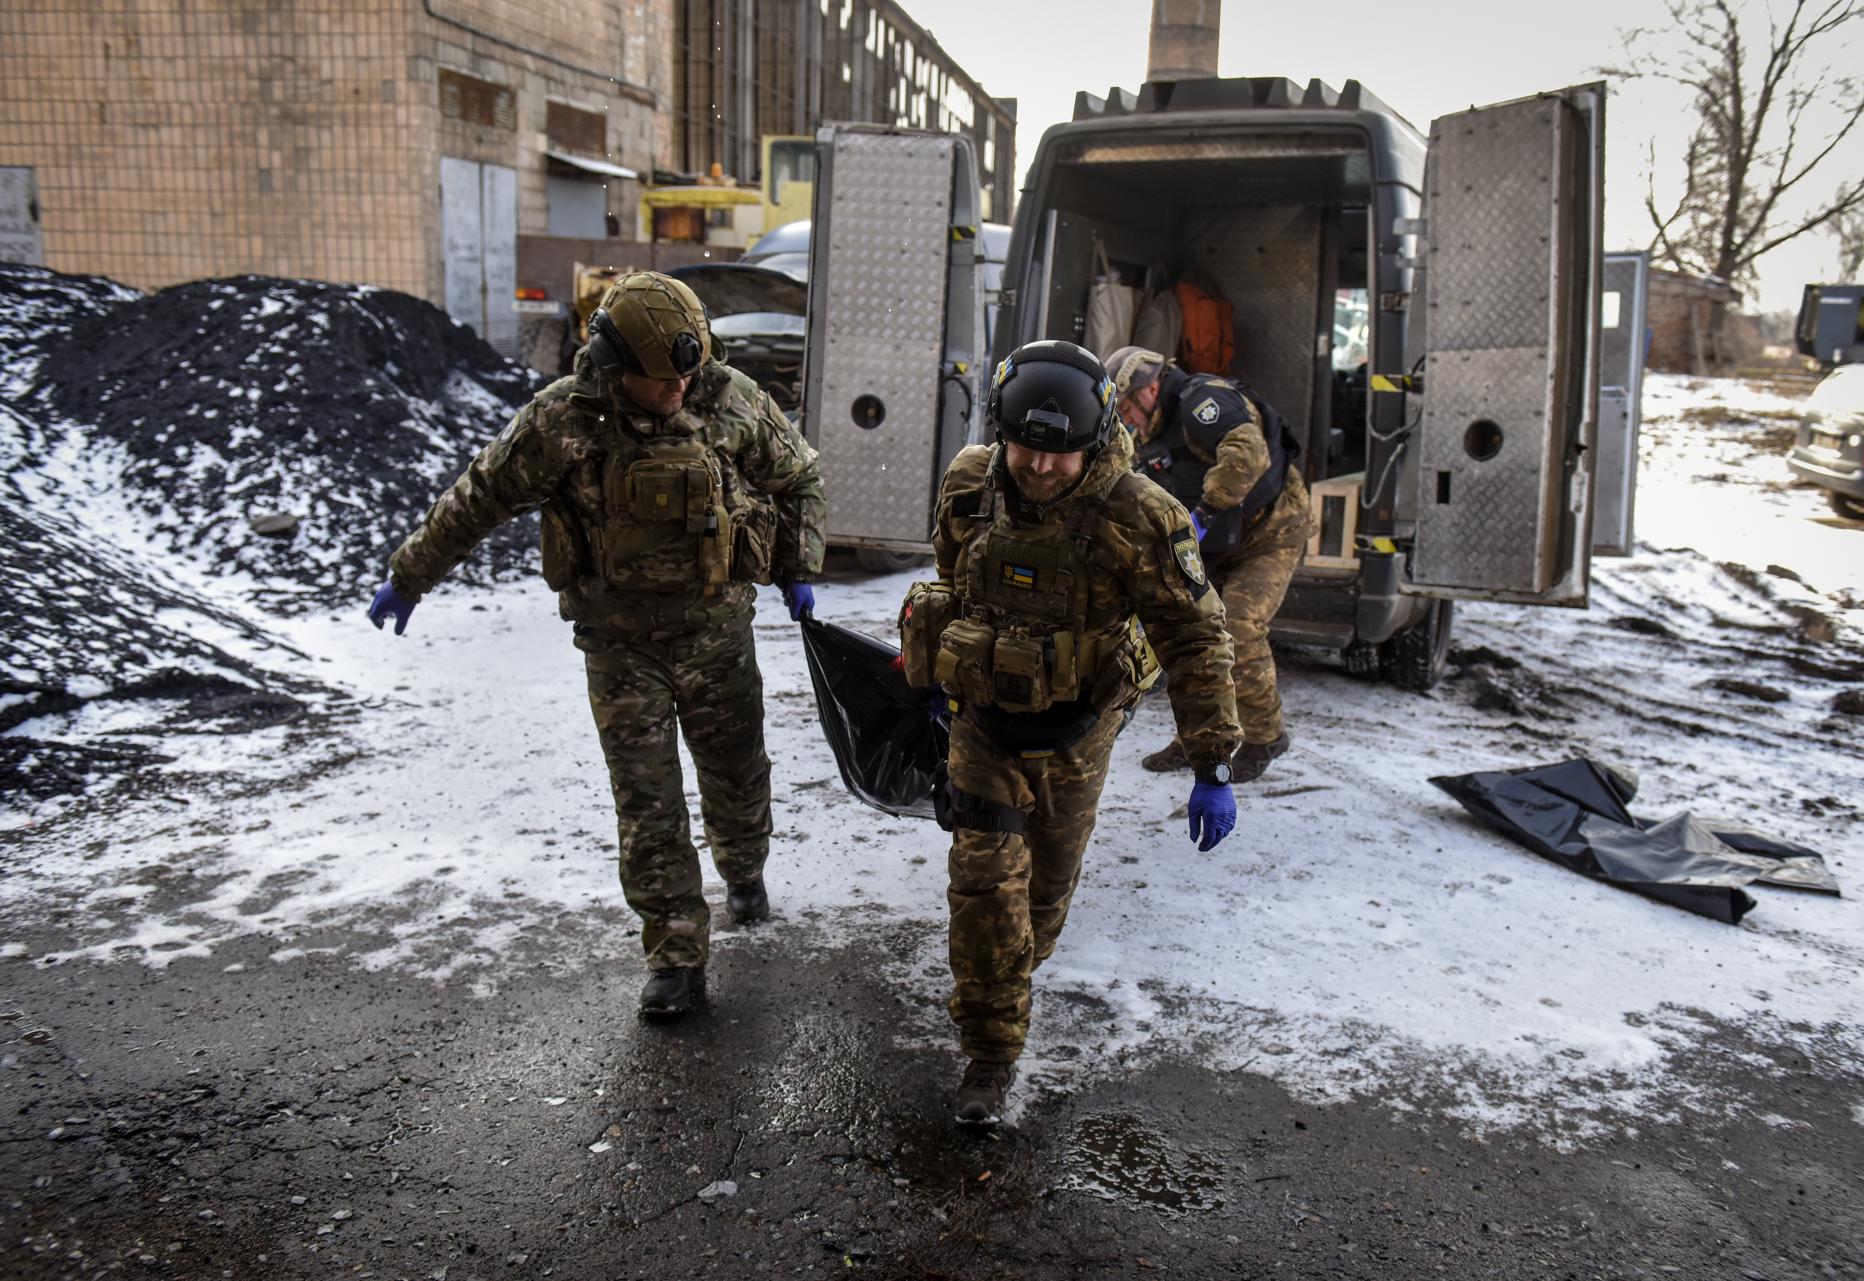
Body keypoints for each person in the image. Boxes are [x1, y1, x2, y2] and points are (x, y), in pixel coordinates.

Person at [367, 271, 826, 1018]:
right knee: (647, 804)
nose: (679, 387)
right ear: (616, 365)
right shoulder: (563, 421)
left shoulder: (728, 398)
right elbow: (478, 496)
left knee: (738, 776)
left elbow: (800, 477)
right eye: (662, 378)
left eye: (687, 373)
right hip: (620, 648)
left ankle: (745, 867)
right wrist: (409, 576)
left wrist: (797, 567)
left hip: (717, 636)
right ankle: (675, 953)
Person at [900, 339, 1241, 1126]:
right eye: (1027, 448)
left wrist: (1212, 761)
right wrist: (939, 662)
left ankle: (1014, 970)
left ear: (1097, 437)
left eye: (1062, 453)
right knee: (984, 887)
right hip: (983, 726)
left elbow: (1195, 637)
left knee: (1043, 898)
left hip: (1078, 734)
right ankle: (990, 1054)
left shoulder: (1140, 514)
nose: (1042, 466)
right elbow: (953, 577)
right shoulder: (970, 483)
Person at [1103, 346, 1312, 783]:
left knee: (1239, 626)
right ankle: (1199, 739)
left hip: (1271, 530)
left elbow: (1248, 452)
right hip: (1215, 541)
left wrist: (1206, 513)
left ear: (1150, 389)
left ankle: (1265, 737)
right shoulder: (1147, 432)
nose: (1126, 417)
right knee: (1190, 631)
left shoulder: (1202, 402)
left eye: (1127, 407)